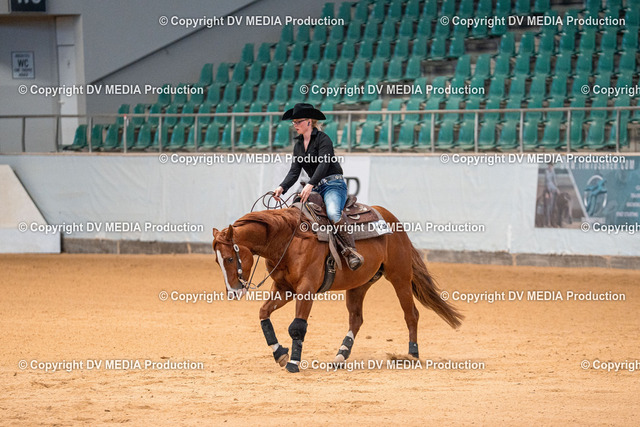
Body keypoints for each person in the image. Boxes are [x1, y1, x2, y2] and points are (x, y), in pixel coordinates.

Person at [273, 103, 363, 271]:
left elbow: (324, 163)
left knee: (333, 213)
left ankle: (351, 251)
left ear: (309, 121)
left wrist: (310, 184)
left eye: (298, 121)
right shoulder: (298, 145)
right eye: (293, 122)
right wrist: (282, 187)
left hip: (333, 184)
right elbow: (294, 171)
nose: (295, 125)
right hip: (315, 187)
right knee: (296, 211)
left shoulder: (323, 139)